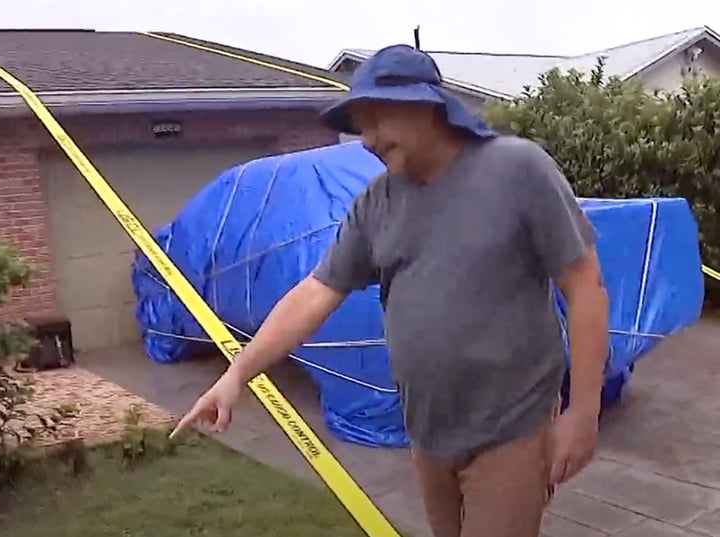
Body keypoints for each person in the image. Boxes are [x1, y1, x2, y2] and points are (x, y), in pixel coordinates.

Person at [170, 45, 609, 537]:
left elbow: (586, 285)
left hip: (512, 426)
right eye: (360, 124)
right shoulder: (377, 202)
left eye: (377, 119)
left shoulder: (518, 169)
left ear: (427, 106)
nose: (367, 140)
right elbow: (316, 292)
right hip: (426, 432)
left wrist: (582, 412)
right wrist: (237, 375)